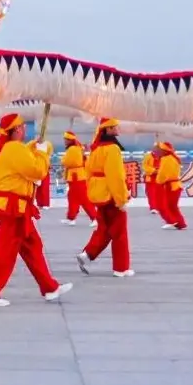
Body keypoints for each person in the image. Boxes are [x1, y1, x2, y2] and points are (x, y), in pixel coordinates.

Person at [0, 114, 72, 306]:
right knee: (5, 253)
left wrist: (35, 148)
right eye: (21, 127)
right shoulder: (13, 148)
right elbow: (36, 170)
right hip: (13, 208)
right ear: (17, 129)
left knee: (32, 248)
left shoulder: (12, 148)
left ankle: (49, 287)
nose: (24, 129)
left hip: (16, 207)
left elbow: (24, 160)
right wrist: (43, 153)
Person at [75, 118, 132, 277]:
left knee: (105, 229)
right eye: (114, 127)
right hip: (111, 194)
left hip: (99, 193)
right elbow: (116, 176)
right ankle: (121, 268)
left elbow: (89, 172)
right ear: (108, 130)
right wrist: (121, 199)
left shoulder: (96, 148)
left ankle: (87, 254)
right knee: (120, 233)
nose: (117, 128)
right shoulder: (112, 148)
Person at [60, 131, 96, 226]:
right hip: (75, 177)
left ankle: (94, 217)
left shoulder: (73, 149)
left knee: (83, 198)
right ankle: (71, 218)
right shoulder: (76, 148)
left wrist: (63, 159)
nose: (64, 141)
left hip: (77, 177)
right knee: (72, 198)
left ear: (70, 140)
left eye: (66, 139)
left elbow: (67, 162)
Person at [154, 141, 186, 230]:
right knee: (171, 205)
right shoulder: (171, 157)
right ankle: (179, 223)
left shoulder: (167, 159)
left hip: (171, 185)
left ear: (163, 150)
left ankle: (173, 221)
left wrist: (158, 182)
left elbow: (163, 174)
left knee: (168, 205)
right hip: (174, 185)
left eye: (158, 149)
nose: (157, 151)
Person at [141, 146, 159, 214]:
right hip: (150, 177)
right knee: (151, 193)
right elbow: (144, 166)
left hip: (160, 177)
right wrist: (154, 170)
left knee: (159, 193)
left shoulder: (163, 157)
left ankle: (159, 206)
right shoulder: (148, 156)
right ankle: (153, 207)